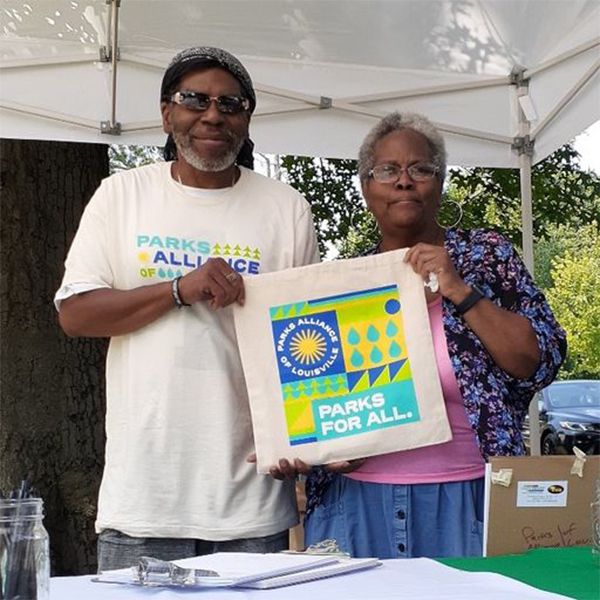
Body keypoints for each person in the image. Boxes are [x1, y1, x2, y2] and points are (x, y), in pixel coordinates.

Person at [54, 46, 320, 571]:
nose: (212, 115)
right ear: (165, 112)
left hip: (251, 499)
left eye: (230, 103)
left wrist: (302, 437)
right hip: (145, 501)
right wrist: (179, 289)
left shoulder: (286, 209)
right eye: (194, 99)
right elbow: (76, 314)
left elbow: (306, 342)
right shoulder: (120, 196)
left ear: (247, 118)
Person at [295, 112, 567, 559]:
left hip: (468, 501)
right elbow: (316, 396)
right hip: (356, 504)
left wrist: (458, 287)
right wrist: (308, 448)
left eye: (419, 169)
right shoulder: (342, 282)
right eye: (386, 170)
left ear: (440, 184)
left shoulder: (487, 257)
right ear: (366, 189)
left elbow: (540, 361)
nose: (404, 181)